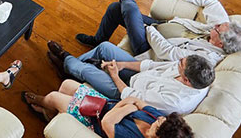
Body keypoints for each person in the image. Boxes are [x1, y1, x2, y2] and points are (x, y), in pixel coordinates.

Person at [75, 0, 241, 66]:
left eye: (218, 28)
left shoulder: (206, 56)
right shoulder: (220, 28)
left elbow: (169, 53)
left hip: (149, 47)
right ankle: (98, 40)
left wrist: (148, 29)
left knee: (129, 8)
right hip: (159, 25)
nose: (216, 25)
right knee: (115, 9)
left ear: (220, 43)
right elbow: (213, 2)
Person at [22, 84, 194, 138]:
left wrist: (128, 108)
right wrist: (123, 107)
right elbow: (133, 98)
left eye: (160, 123)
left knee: (53, 97)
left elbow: (106, 124)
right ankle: (51, 113)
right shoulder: (157, 120)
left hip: (93, 122)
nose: (159, 118)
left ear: (158, 137)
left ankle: (42, 102)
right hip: (104, 106)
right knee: (66, 85)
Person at [48, 39, 215, 115]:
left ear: (186, 80)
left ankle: (66, 59)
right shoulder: (193, 68)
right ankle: (69, 65)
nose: (177, 62)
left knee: (85, 71)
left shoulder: (174, 101)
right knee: (105, 47)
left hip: (124, 94)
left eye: (180, 64)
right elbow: (152, 65)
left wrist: (115, 76)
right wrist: (122, 65)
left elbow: (134, 98)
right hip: (140, 76)